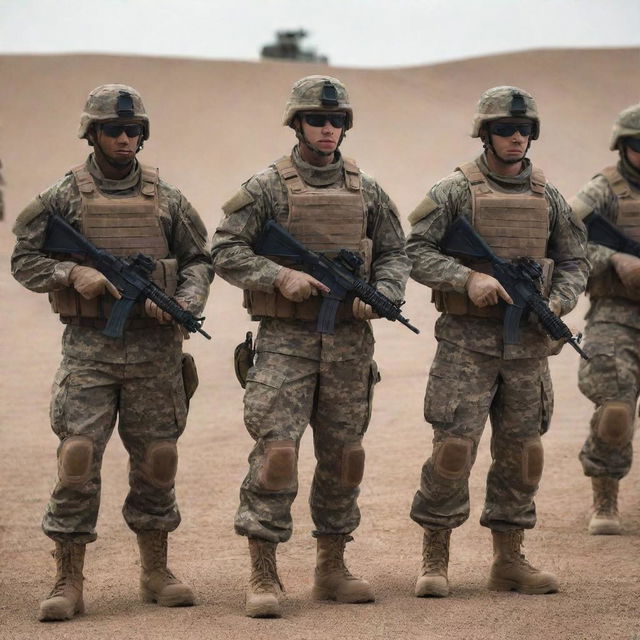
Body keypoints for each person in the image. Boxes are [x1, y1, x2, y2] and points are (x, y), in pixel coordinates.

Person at [11, 84, 213, 621]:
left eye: (133, 131)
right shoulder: (64, 197)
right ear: (92, 134)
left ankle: (155, 571)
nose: (125, 139)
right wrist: (74, 273)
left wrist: (183, 300)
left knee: (158, 462)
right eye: (114, 130)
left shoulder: (166, 197)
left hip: (156, 353)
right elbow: (24, 259)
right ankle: (68, 577)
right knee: (77, 460)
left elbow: (199, 259)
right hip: (90, 351)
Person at [210, 75, 410, 617]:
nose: (328, 129)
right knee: (277, 455)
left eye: (337, 121)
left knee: (344, 458)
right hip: (284, 345)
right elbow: (224, 249)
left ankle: (331, 566)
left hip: (349, 344)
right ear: (297, 123)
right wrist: (278, 276)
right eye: (318, 120)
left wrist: (384, 293)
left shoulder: (366, 189)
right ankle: (263, 572)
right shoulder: (267, 187)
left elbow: (396, 251)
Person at [405, 86, 588, 597]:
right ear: (485, 133)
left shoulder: (547, 196)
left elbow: (575, 260)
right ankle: (434, 558)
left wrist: (560, 302)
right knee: (453, 451)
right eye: (506, 129)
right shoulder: (455, 191)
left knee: (523, 453)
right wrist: (468, 280)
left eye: (525, 130)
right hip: (467, 345)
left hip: (527, 348)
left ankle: (508, 559)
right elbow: (413, 251)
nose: (516, 138)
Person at [570, 103, 640, 535]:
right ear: (622, 146)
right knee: (615, 410)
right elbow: (563, 240)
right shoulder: (603, 191)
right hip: (616, 315)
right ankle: (604, 500)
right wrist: (614, 259)